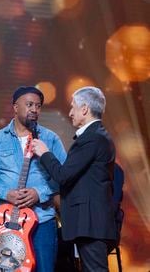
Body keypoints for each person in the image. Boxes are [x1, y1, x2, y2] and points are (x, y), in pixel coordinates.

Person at [0, 86, 66, 272]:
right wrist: (6, 193)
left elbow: (64, 176)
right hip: (8, 223)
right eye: (29, 104)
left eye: (38, 106)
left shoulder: (50, 139)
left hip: (42, 220)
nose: (34, 109)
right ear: (15, 107)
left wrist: (39, 193)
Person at [32, 86, 116, 272]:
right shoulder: (96, 136)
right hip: (90, 223)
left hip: (91, 224)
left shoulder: (92, 137)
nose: (70, 113)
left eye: (73, 107)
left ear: (84, 109)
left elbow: (63, 175)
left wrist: (45, 153)